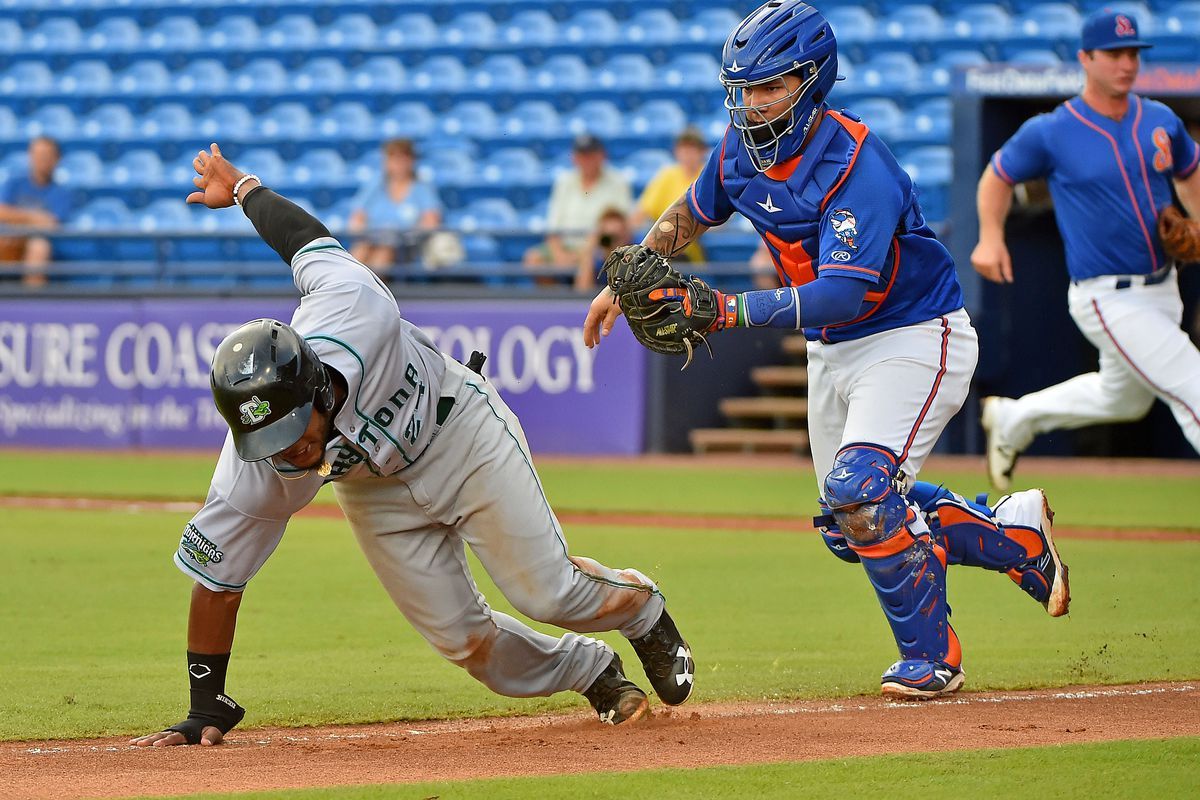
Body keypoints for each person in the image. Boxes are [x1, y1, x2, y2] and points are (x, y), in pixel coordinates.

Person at [582, 0, 1069, 699]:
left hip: (911, 333)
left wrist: (722, 311)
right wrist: (631, 269)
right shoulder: (740, 148)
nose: (752, 103)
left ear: (812, 80)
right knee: (846, 527)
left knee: (862, 493)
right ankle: (1014, 536)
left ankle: (932, 660)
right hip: (832, 348)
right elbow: (694, 207)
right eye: (743, 88)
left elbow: (843, 293)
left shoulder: (857, 163)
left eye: (769, 86)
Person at [130, 144, 693, 748]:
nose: (286, 452)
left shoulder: (355, 309)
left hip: (459, 434)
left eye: (292, 432)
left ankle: (640, 611)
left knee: (544, 590)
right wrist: (204, 703)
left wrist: (243, 187)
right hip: (375, 492)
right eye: (265, 440)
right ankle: (593, 672)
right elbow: (218, 576)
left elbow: (305, 242)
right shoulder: (257, 462)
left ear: (316, 388)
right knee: (465, 642)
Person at [972, 10, 1200, 491]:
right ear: (1085, 58)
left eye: (1133, 53)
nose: (1126, 63)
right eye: (1114, 53)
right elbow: (997, 176)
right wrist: (990, 236)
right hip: (1107, 296)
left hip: (1163, 286)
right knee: (1192, 386)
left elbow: (1188, 170)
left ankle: (1014, 419)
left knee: (1124, 401)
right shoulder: (1052, 130)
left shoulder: (1159, 119)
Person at [524, 134, 632, 274]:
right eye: (583, 155)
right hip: (567, 246)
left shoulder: (618, 181)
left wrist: (590, 249)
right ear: (574, 158)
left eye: (591, 155)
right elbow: (553, 227)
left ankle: (586, 294)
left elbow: (620, 227)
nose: (587, 160)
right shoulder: (564, 182)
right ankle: (558, 295)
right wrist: (559, 253)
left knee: (589, 259)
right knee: (533, 259)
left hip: (602, 246)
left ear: (602, 155)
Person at [348, 138, 442, 274]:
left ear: (411, 161)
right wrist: (366, 232)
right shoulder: (375, 185)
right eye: (393, 158)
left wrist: (405, 235)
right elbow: (357, 217)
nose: (398, 164)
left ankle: (370, 290)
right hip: (374, 239)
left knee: (384, 253)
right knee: (360, 250)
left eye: (402, 159)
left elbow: (431, 221)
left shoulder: (421, 188)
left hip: (406, 245)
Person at [0, 136, 73, 287]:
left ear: (56, 159)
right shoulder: (14, 183)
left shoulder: (61, 192)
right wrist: (33, 218)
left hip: (38, 243)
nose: (42, 160)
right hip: (9, 239)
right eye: (38, 155)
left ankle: (32, 303)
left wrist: (17, 219)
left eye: (46, 155)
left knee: (39, 247)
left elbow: (50, 224)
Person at [631, 127, 708, 264]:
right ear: (677, 151)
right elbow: (642, 211)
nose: (688, 154)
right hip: (662, 246)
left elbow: (720, 219)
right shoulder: (667, 175)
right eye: (684, 148)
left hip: (693, 247)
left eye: (693, 148)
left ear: (702, 151)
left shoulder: (708, 176)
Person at [574, 206, 634, 291]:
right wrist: (589, 249)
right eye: (609, 238)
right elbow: (582, 291)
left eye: (618, 237)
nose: (615, 247)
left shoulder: (635, 262)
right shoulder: (597, 262)